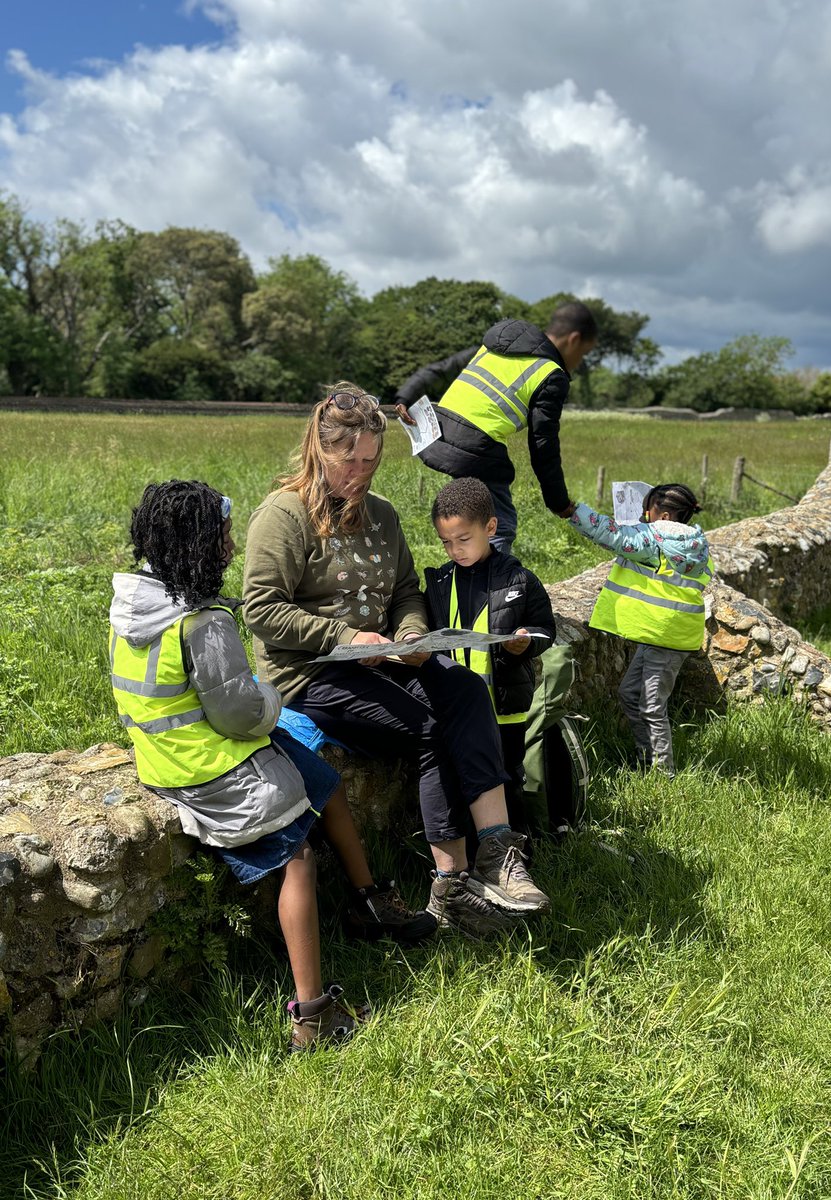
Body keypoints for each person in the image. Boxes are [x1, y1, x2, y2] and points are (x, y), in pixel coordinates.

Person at [109, 480, 434, 1054]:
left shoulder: (135, 607)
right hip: (212, 769)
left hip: (172, 755)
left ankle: (367, 901)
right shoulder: (202, 623)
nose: (232, 548)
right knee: (299, 857)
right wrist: (272, 698)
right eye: (225, 537)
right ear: (200, 545)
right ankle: (313, 1015)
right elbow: (240, 713)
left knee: (322, 783)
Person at [242, 383, 551, 939]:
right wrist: (344, 637)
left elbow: (407, 590)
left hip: (382, 656)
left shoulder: (381, 515)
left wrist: (408, 634)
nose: (361, 472)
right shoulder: (283, 516)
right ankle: (451, 886)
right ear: (319, 447)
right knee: (432, 724)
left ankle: (499, 853)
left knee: (465, 691)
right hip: (311, 672)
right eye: (349, 460)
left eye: (372, 460)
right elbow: (262, 611)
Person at [394, 301, 598, 553]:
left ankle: (467, 576)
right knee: (498, 526)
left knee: (471, 522)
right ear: (574, 339)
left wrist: (404, 396)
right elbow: (543, 446)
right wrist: (559, 503)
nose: (580, 362)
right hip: (474, 448)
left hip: (437, 435)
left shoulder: (495, 345)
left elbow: (441, 369)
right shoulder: (551, 373)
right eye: (584, 353)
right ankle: (492, 587)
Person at [423, 477, 556, 834]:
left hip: (504, 710)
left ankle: (517, 849)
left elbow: (545, 629)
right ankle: (472, 849)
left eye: (463, 539)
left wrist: (526, 643)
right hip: (457, 708)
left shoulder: (521, 580)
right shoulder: (438, 582)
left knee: (506, 778)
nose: (455, 550)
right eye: (446, 542)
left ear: (491, 527)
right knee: (459, 779)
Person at [568, 483, 712, 777]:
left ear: (666, 516)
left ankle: (663, 774)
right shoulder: (695, 544)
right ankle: (646, 759)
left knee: (650, 704)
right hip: (665, 633)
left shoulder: (657, 542)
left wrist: (571, 511)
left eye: (649, 511)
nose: (645, 517)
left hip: (665, 636)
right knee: (631, 694)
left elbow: (612, 535)